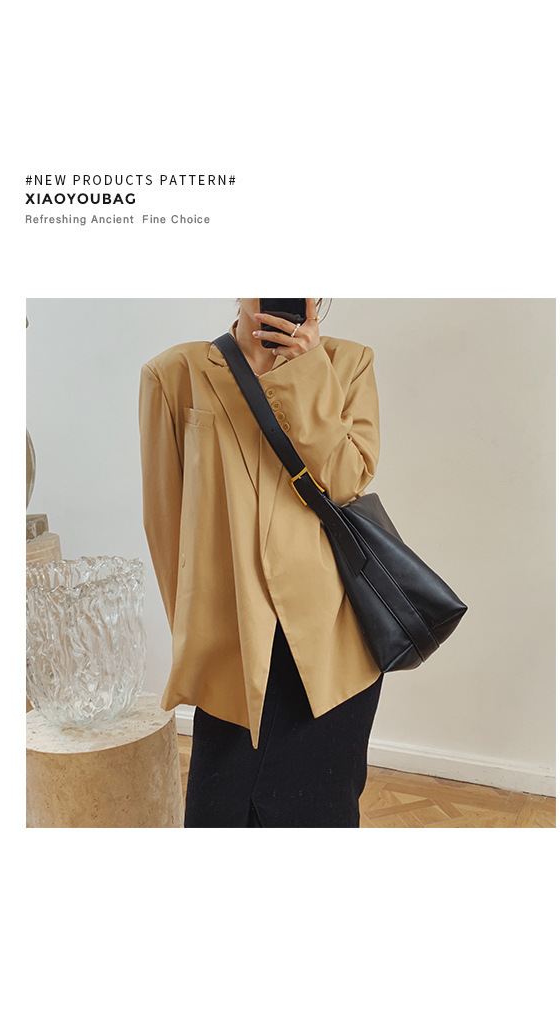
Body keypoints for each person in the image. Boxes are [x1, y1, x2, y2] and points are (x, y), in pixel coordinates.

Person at [138, 298, 384, 827]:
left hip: (330, 640)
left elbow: (346, 482)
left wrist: (307, 372)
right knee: (219, 814)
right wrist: (193, 630)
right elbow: (164, 519)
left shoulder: (348, 363)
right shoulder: (175, 373)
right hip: (232, 643)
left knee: (322, 813)